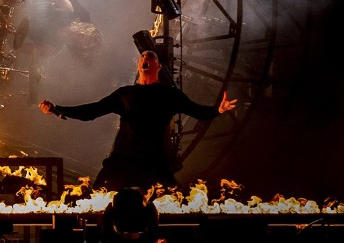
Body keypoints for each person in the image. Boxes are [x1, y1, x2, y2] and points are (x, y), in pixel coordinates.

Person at [39, 49, 236, 191]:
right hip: (123, 159)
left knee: (174, 202)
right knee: (98, 199)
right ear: (138, 66)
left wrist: (218, 109)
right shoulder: (125, 94)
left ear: (158, 66)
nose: (145, 58)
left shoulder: (169, 95)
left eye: (150, 56)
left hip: (154, 161)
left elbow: (197, 111)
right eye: (142, 56)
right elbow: (93, 110)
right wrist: (58, 110)